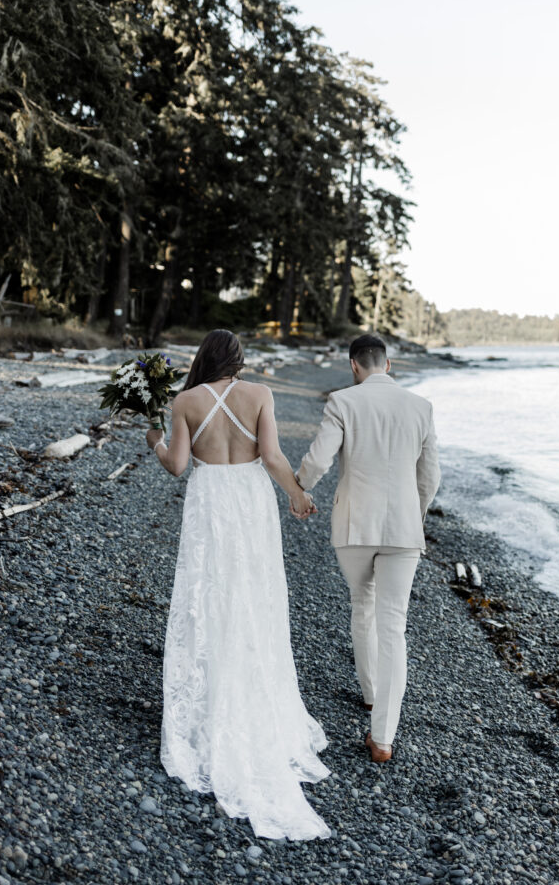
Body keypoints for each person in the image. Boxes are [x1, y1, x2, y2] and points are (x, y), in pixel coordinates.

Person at [145, 329, 330, 840]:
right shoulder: (259, 395)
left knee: (210, 597)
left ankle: (210, 702)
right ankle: (253, 694)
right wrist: (295, 492)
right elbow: (270, 456)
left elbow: (178, 466)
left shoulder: (185, 401)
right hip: (249, 505)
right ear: (239, 360)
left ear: (203, 359)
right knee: (255, 597)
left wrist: (156, 441)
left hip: (209, 506)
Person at [295, 334, 441, 763]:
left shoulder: (343, 402)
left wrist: (300, 487)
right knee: (393, 623)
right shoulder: (422, 407)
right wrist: (417, 512)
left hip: (355, 525)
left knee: (363, 603)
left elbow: (320, 460)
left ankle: (372, 695)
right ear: (388, 365)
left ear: (354, 366)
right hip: (402, 528)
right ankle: (382, 737)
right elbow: (429, 477)